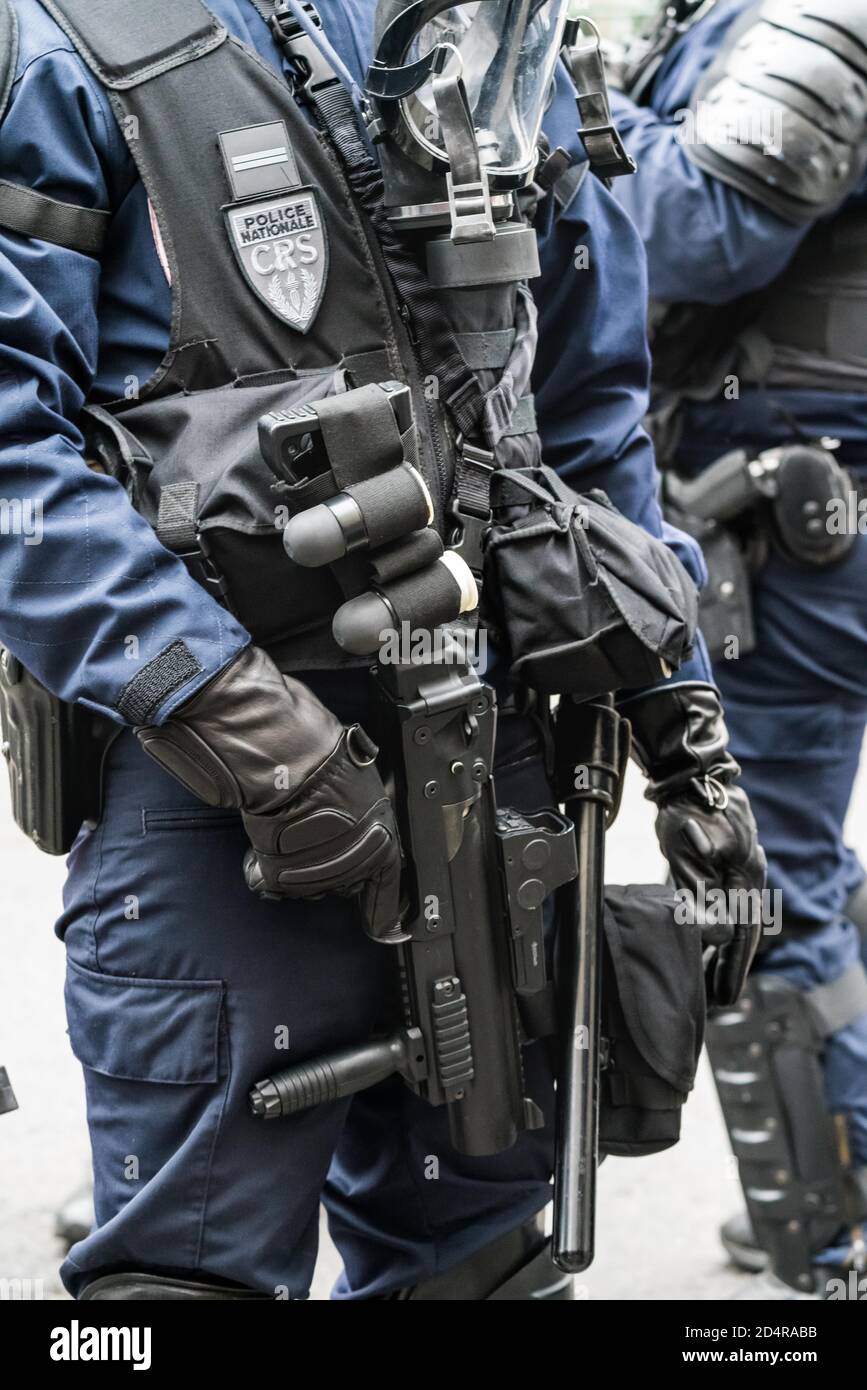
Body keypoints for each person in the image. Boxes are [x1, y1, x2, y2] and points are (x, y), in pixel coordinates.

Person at [0, 0, 761, 1300]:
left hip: (506, 769)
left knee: (490, 1266)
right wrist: (254, 734)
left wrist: (687, 728)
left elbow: (585, 422)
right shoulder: (69, 37)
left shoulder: (505, 39)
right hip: (215, 804)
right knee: (186, 1285)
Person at [607, 0, 867, 1299]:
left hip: (791, 520)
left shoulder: (816, 11)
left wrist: (572, 125)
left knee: (762, 894)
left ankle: (827, 1238)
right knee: (808, 871)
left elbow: (697, 227)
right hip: (769, 510)